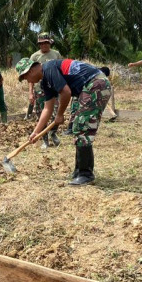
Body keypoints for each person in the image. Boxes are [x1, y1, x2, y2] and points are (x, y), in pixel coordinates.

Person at [16, 58, 111, 186]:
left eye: (25, 77)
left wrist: (60, 115)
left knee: (82, 127)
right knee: (78, 127)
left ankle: (86, 174)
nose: (27, 81)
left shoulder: (49, 69)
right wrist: (35, 132)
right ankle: (79, 171)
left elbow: (66, 92)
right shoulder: (45, 81)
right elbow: (47, 108)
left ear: (32, 70)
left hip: (96, 84)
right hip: (89, 87)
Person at [28, 33, 62, 149]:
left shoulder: (56, 54)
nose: (44, 45)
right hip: (39, 90)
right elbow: (30, 77)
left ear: (49, 43)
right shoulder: (34, 57)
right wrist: (31, 92)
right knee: (40, 114)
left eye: (46, 43)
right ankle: (45, 140)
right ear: (39, 44)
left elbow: (60, 69)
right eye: (41, 43)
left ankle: (53, 132)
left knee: (56, 113)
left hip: (54, 88)